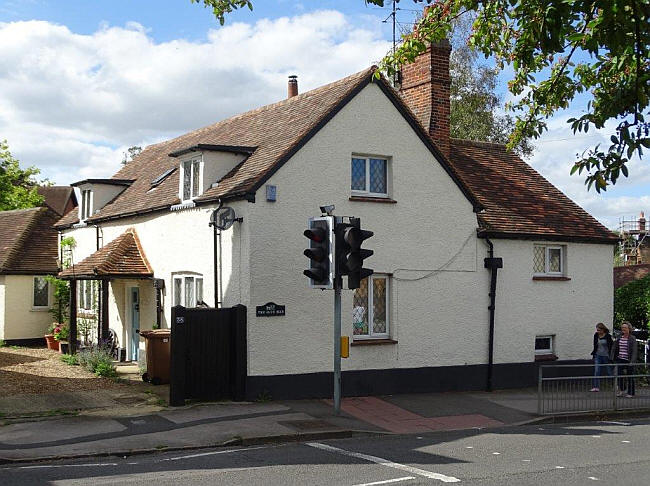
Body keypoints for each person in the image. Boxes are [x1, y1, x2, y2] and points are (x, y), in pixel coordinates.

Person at [610, 321, 638, 398]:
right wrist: (612, 357)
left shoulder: (632, 338)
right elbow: (614, 347)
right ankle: (622, 390)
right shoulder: (619, 337)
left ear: (629, 329)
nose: (623, 329)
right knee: (619, 375)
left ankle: (631, 392)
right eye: (622, 327)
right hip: (620, 359)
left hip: (628, 360)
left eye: (625, 327)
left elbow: (634, 351)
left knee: (630, 376)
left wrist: (632, 361)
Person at [590, 322, 613, 392]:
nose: (598, 331)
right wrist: (594, 354)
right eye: (597, 330)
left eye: (599, 330)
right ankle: (596, 387)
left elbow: (611, 346)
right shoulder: (596, 335)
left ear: (603, 330)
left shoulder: (608, 336)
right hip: (598, 355)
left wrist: (611, 355)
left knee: (609, 371)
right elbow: (595, 345)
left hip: (606, 356)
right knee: (597, 371)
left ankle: (614, 385)